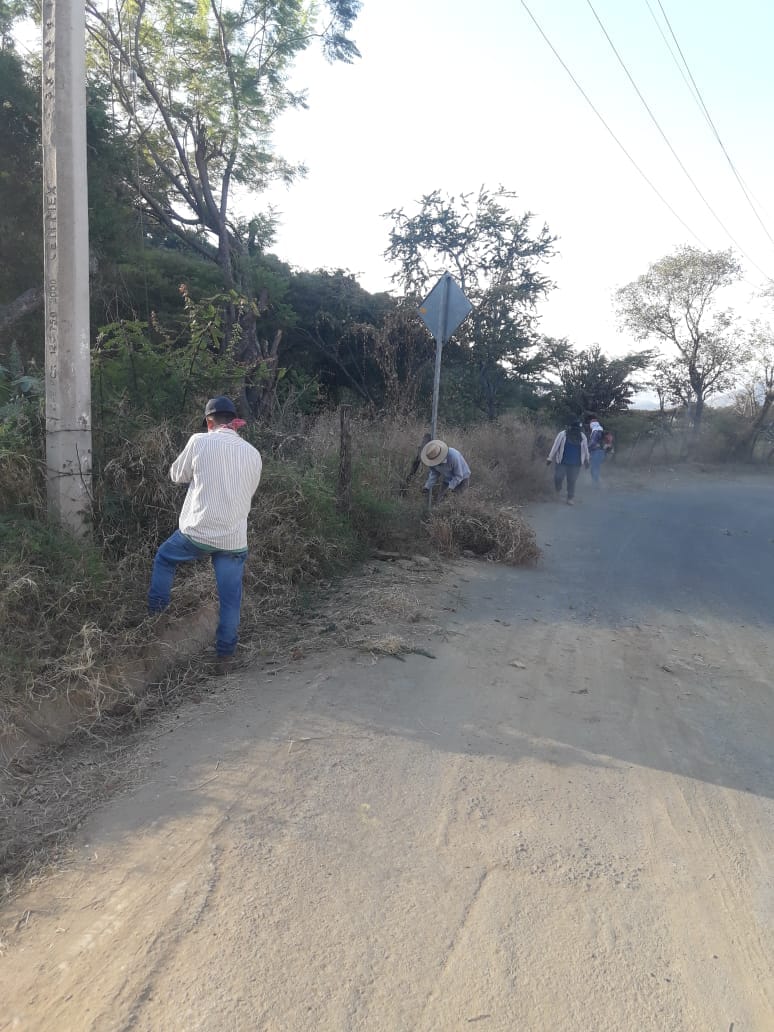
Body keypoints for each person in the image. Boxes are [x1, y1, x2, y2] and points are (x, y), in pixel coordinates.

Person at [147, 396, 263, 672]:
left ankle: (155, 621)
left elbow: (177, 475)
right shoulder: (253, 453)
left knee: (164, 558)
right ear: (235, 424)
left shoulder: (199, 441)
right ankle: (225, 657)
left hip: (198, 532)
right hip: (234, 538)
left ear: (210, 422)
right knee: (230, 599)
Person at [546, 421, 589, 505]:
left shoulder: (582, 436)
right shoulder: (562, 434)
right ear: (570, 427)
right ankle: (557, 491)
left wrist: (587, 460)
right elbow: (555, 446)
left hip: (576, 463)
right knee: (558, 477)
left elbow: (585, 449)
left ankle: (570, 498)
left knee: (572, 480)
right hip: (562, 461)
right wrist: (550, 458)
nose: (576, 429)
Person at [587, 415, 608, 487]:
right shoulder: (601, 430)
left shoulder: (595, 431)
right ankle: (597, 483)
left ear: (592, 425)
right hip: (602, 452)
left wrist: (587, 449)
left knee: (594, 468)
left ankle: (596, 484)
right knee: (597, 468)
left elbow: (592, 442)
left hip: (596, 452)